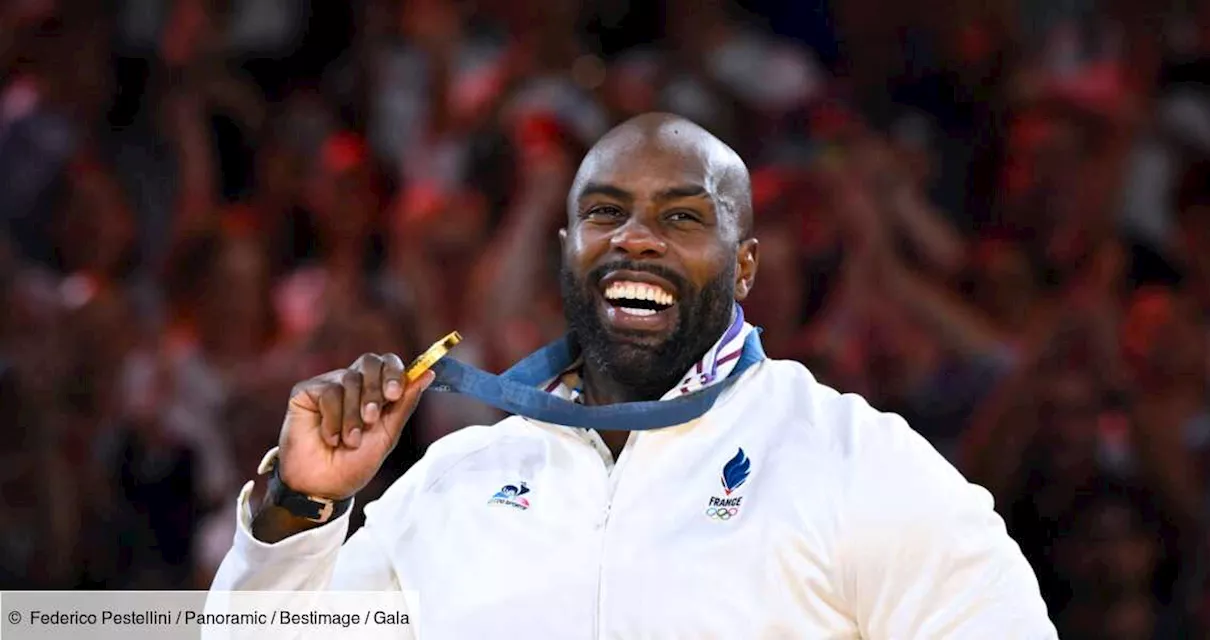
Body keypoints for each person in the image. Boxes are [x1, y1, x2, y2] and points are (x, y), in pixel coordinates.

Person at [211, 113, 1056, 638]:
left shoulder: (853, 462)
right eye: (604, 213)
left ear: (746, 265)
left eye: (682, 216)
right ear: (567, 253)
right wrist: (299, 507)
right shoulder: (458, 485)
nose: (635, 239)